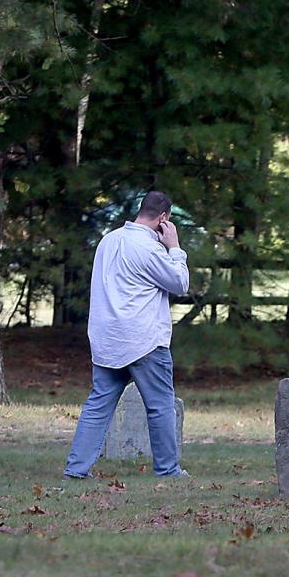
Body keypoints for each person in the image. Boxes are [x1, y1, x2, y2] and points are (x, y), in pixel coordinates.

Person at [63, 190, 190, 479]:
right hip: (143, 339)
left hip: (107, 337)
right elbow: (180, 283)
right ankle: (168, 470)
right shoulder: (149, 249)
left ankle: (76, 469)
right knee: (160, 406)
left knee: (98, 405)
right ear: (163, 218)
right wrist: (175, 247)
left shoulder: (108, 241)